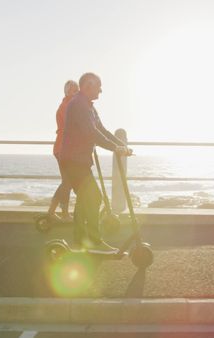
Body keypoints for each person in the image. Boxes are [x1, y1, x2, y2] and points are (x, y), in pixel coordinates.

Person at [59, 72, 131, 253]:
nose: (101, 90)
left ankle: (81, 242)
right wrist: (115, 149)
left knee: (86, 199)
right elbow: (91, 133)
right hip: (73, 160)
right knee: (93, 197)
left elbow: (102, 130)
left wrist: (122, 146)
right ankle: (92, 241)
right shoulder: (78, 105)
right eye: (99, 85)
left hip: (79, 160)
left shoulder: (88, 106)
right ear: (88, 86)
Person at [46, 80, 79, 223]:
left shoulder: (69, 105)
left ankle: (56, 212)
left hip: (66, 148)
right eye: (72, 90)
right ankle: (58, 213)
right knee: (67, 181)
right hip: (63, 148)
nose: (75, 92)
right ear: (66, 92)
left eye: (76, 90)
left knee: (68, 181)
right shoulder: (67, 106)